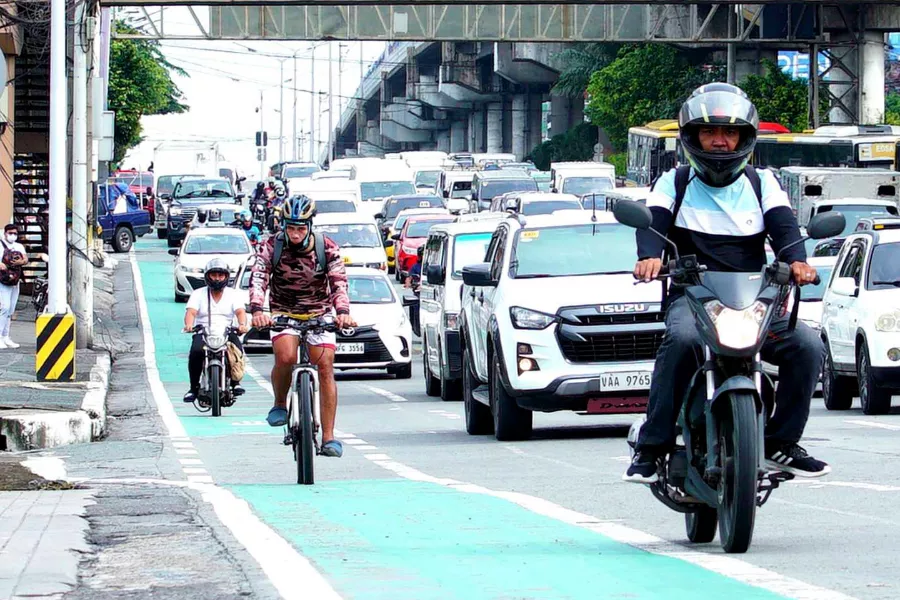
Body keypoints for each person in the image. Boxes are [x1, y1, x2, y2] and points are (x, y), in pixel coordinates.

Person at [623, 83, 829, 483]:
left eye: (729, 133)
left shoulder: (762, 183)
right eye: (710, 132)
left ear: (744, 138)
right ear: (692, 137)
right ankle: (653, 447)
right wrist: (649, 257)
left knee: (807, 345)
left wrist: (797, 262)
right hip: (694, 299)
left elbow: (786, 230)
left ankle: (782, 442)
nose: (720, 142)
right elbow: (653, 225)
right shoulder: (674, 182)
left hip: (754, 302)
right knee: (680, 341)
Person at [249, 195, 357, 458]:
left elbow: (339, 282)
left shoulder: (326, 247)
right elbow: (259, 277)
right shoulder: (271, 246)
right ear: (283, 225)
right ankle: (279, 404)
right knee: (285, 357)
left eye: (300, 228)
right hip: (283, 312)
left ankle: (329, 437)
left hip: (319, 313)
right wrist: (257, 310)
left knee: (325, 367)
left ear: (310, 226)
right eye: (290, 228)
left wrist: (343, 313)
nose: (295, 234)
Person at [183, 259, 248, 404]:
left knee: (237, 350)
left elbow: (240, 312)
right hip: (203, 332)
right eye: (214, 275)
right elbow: (191, 312)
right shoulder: (198, 294)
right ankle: (193, 388)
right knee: (195, 352)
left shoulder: (233, 294)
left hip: (227, 331)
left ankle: (235, 382)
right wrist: (189, 325)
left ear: (226, 277)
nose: (217, 278)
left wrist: (242, 325)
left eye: (221, 275)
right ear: (207, 276)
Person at [0, 224, 27, 349]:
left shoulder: (19, 246)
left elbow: (25, 259)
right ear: (5, 233)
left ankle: (6, 336)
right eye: (10, 233)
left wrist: (21, 261)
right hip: (2, 280)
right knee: (4, 308)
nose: (13, 235)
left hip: (15, 280)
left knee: (10, 309)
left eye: (15, 233)